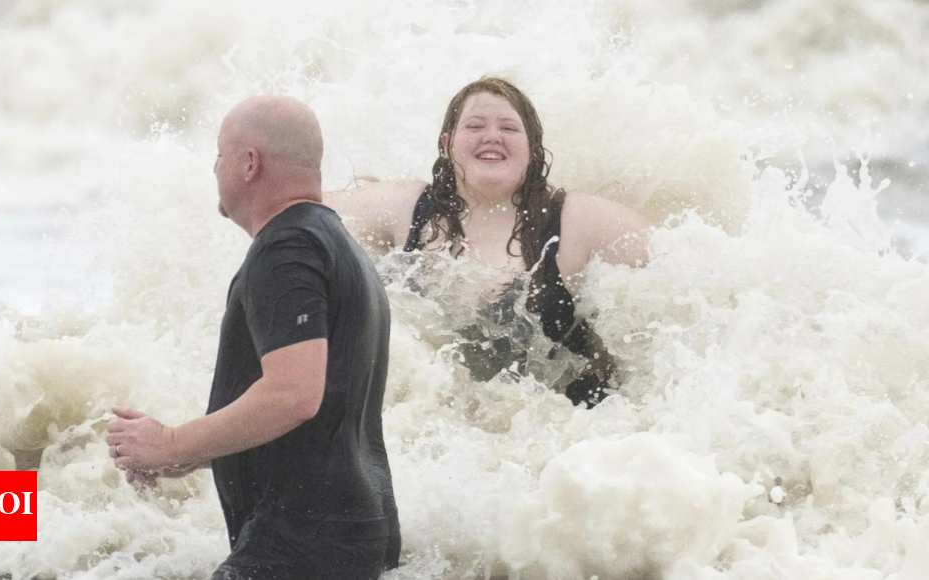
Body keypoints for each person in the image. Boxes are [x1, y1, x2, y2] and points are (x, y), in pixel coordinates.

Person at [106, 96, 400, 580]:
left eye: (220, 154)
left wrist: (171, 442)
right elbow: (320, 416)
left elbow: (294, 396)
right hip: (346, 535)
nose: (214, 168)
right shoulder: (335, 243)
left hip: (300, 544)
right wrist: (193, 454)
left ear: (249, 163)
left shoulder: (287, 248)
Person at [325, 77, 652, 407]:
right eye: (475, 126)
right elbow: (304, 211)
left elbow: (680, 260)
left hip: (565, 421)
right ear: (447, 142)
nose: (492, 136)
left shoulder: (577, 221)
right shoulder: (405, 207)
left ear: (533, 149)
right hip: (435, 418)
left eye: (509, 128)